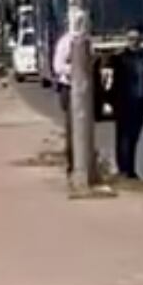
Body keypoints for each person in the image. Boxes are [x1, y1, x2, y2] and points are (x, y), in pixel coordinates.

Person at [108, 29, 143, 180]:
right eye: (131, 39)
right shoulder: (120, 58)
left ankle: (130, 169)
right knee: (123, 138)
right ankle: (123, 169)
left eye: (137, 38)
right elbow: (110, 79)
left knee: (134, 137)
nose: (134, 41)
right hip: (124, 102)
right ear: (127, 40)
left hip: (139, 102)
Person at [54, 10, 84, 175]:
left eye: (81, 20)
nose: (80, 23)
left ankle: (85, 161)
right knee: (72, 127)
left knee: (84, 127)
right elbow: (58, 67)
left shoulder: (85, 40)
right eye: (77, 20)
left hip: (84, 88)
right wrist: (74, 69)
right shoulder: (65, 42)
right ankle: (72, 164)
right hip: (69, 87)